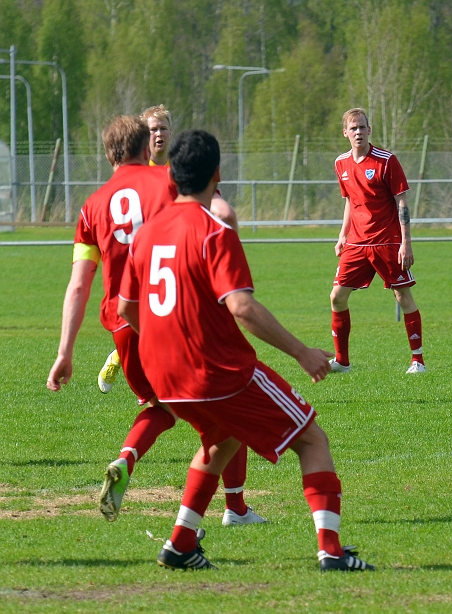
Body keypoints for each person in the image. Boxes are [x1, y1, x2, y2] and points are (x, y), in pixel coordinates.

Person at [118, 129, 374, 572]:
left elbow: (126, 307)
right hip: (216, 371)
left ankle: (180, 545)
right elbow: (242, 307)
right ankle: (331, 552)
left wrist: (166, 345)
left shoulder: (147, 233)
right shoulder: (213, 230)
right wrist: (301, 352)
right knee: (312, 438)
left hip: (163, 376)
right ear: (217, 175)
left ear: (172, 177)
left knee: (222, 440)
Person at [46, 115, 260, 528]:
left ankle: (126, 458)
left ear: (108, 154)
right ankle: (232, 510)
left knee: (160, 406)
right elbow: (218, 209)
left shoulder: (91, 207)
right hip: (176, 311)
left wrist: (64, 353)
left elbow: (78, 285)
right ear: (146, 148)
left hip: (124, 322)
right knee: (226, 405)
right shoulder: (165, 181)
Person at [98, 105, 238, 393]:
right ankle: (123, 357)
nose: (158, 134)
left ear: (171, 132)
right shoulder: (133, 174)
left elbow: (212, 201)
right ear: (141, 137)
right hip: (135, 262)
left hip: (172, 258)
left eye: (163, 128)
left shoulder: (181, 169)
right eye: (152, 129)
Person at [329, 108, 425, 375]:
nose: (358, 132)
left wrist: (406, 242)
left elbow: (402, 201)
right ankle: (342, 361)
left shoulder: (386, 160)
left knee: (402, 295)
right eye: (353, 128)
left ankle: (418, 361)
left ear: (369, 130)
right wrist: (342, 236)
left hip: (388, 241)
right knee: (337, 297)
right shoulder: (341, 164)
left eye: (362, 127)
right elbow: (349, 201)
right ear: (345, 132)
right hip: (356, 244)